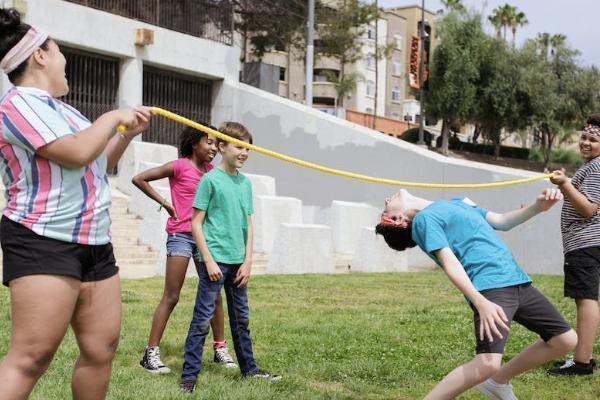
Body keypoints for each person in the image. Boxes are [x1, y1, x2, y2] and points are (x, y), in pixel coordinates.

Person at [0, 8, 152, 399]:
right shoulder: (16, 105)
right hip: (42, 240)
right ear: (40, 55)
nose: (65, 63)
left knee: (100, 349)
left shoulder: (64, 111)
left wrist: (125, 135)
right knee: (32, 356)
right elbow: (76, 153)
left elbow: (96, 165)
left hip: (94, 243)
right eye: (59, 51)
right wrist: (112, 117)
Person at [375, 189, 577, 400]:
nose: (386, 199)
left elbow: (501, 221)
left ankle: (497, 382)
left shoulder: (457, 202)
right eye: (385, 209)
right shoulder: (425, 220)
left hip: (518, 280)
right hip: (490, 287)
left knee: (565, 340)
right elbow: (450, 262)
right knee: (487, 363)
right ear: (398, 219)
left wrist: (538, 207)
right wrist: (480, 301)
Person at [179, 122, 281, 393]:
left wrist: (248, 261)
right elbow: (196, 223)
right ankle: (188, 376)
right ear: (222, 146)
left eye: (247, 147)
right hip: (214, 260)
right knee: (202, 319)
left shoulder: (245, 183)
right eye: (239, 146)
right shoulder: (210, 180)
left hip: (238, 261)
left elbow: (249, 225)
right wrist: (208, 260)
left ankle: (250, 369)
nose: (244, 152)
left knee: (241, 319)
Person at [133, 126, 237, 374]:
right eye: (209, 143)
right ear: (194, 143)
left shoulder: (214, 173)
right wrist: (166, 203)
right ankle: (150, 354)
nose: (214, 148)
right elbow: (139, 179)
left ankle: (220, 349)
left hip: (207, 239)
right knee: (172, 295)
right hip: (180, 235)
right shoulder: (179, 166)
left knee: (214, 295)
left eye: (216, 144)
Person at [548, 115, 600, 376]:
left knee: (586, 299)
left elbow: (589, 209)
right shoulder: (591, 167)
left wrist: (566, 184)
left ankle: (582, 362)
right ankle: (583, 358)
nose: (586, 142)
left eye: (593, 139)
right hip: (585, 243)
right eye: (584, 137)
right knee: (586, 298)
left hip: (585, 242)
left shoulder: (596, 167)